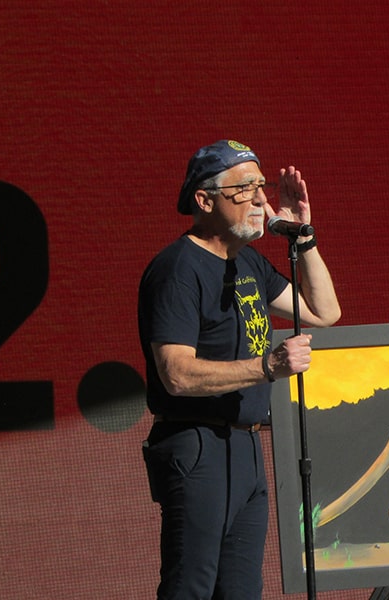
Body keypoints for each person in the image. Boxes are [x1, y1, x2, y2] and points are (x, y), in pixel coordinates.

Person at [138, 139, 341, 599]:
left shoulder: (246, 260)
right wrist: (267, 366)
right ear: (204, 200)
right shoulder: (178, 269)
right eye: (243, 188)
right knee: (190, 587)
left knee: (242, 590)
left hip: (244, 445)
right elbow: (177, 373)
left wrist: (302, 236)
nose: (258, 199)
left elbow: (324, 311)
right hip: (197, 443)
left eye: (260, 186)